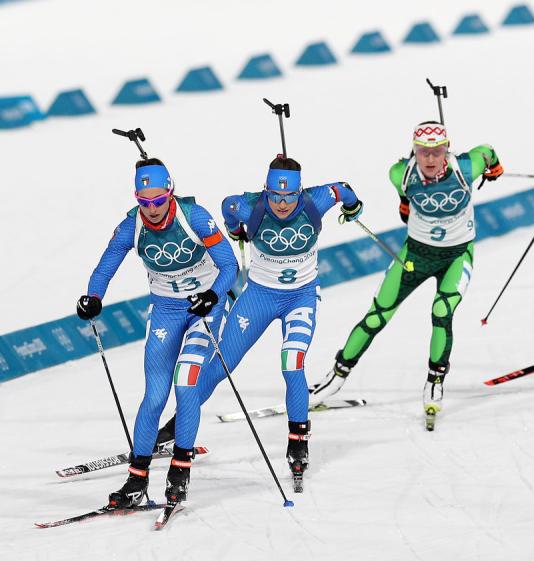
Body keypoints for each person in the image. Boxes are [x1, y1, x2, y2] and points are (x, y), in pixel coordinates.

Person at [310, 121, 503, 424]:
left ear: (446, 150)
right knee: (377, 316)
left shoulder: (467, 168)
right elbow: (405, 199)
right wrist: (404, 204)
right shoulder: (399, 173)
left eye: (436, 152)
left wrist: (496, 168)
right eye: (422, 152)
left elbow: (488, 151)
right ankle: (334, 378)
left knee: (442, 311)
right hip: (414, 255)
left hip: (456, 255)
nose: (429, 159)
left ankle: (435, 382)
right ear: (413, 151)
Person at [188, 155, 363, 481]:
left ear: (299, 192)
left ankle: (298, 443)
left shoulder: (317, 199)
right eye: (275, 196)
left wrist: (354, 208)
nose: (282, 204)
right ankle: (178, 423)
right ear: (266, 190)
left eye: (289, 197)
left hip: (301, 298)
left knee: (292, 363)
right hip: (259, 297)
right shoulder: (249, 206)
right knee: (222, 362)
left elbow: (344, 190)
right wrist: (235, 228)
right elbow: (228, 206)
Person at [76, 157, 238, 507]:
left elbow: (230, 265)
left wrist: (212, 296)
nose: (151, 209)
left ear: (170, 192)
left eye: (158, 200)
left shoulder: (194, 217)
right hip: (165, 310)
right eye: (144, 202)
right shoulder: (130, 226)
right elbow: (106, 265)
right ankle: (136, 480)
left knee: (186, 383)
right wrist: (92, 297)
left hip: (203, 309)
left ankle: (180, 469)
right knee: (154, 396)